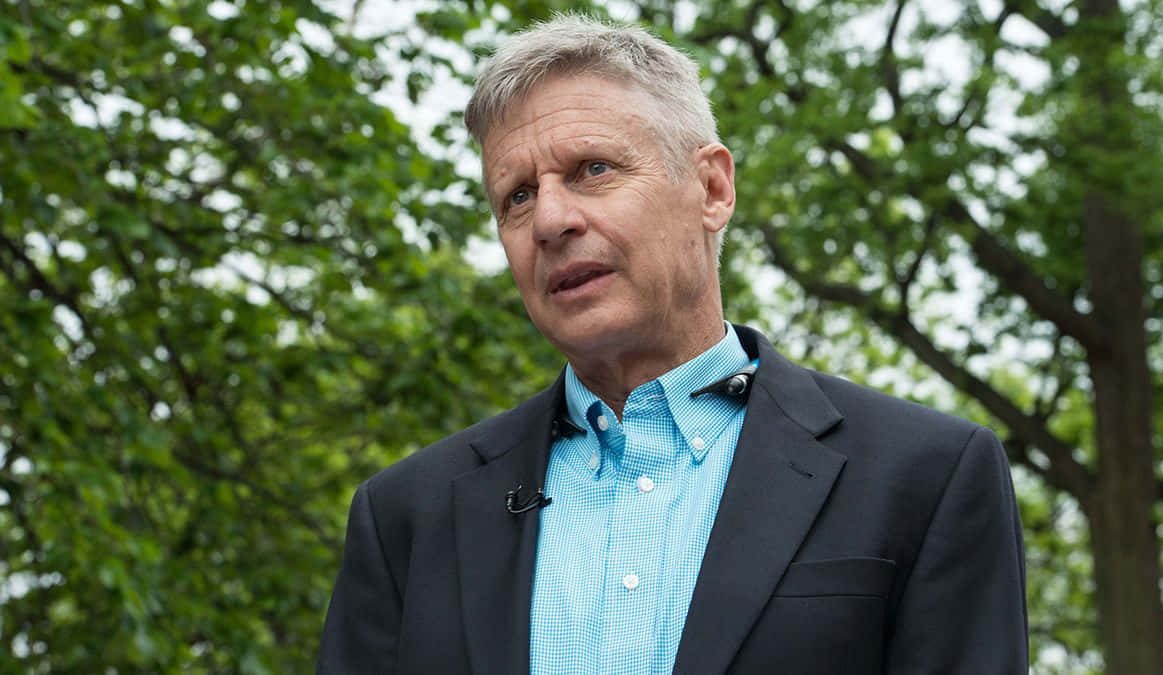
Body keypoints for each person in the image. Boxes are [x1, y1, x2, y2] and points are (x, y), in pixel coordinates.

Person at [318, 14, 1027, 675]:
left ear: (713, 187)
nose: (551, 221)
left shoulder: (926, 475)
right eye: (518, 196)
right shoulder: (406, 517)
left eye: (593, 169)